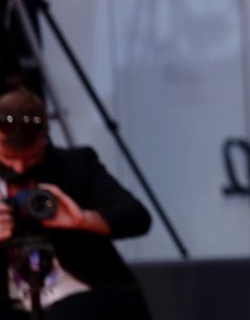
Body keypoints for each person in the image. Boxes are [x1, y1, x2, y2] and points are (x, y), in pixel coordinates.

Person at [0, 86, 152, 319]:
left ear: (44, 138)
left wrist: (83, 219)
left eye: (29, 158)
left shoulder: (74, 165)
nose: (19, 168)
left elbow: (137, 217)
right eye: (8, 158)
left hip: (82, 298)